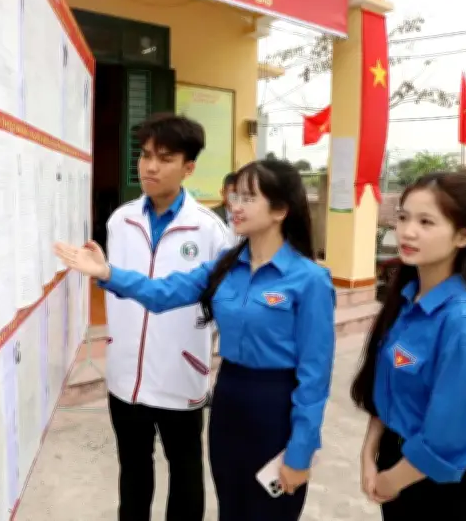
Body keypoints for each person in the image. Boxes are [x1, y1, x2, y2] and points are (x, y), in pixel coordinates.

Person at [55, 158, 336, 521]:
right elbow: (162, 293)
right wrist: (107, 272)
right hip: (229, 398)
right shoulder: (225, 266)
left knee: (269, 511)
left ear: (280, 210)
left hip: (276, 405)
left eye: (249, 198)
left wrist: (301, 450)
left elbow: (315, 376)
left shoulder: (309, 280)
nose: (235, 206)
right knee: (230, 507)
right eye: (235, 196)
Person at [350, 172, 466, 521]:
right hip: (398, 470)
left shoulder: (465, 324)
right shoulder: (407, 301)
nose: (407, 232)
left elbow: (456, 432)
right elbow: (388, 388)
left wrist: (393, 479)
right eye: (403, 217)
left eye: (426, 222)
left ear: (463, 236)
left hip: (444, 494)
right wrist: (369, 450)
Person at [89, 113, 231, 521]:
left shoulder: (210, 231)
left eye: (165, 158)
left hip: (179, 372)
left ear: (189, 168)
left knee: (185, 472)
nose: (150, 167)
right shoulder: (121, 220)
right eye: (145, 155)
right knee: (133, 471)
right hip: (126, 374)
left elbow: (217, 306)